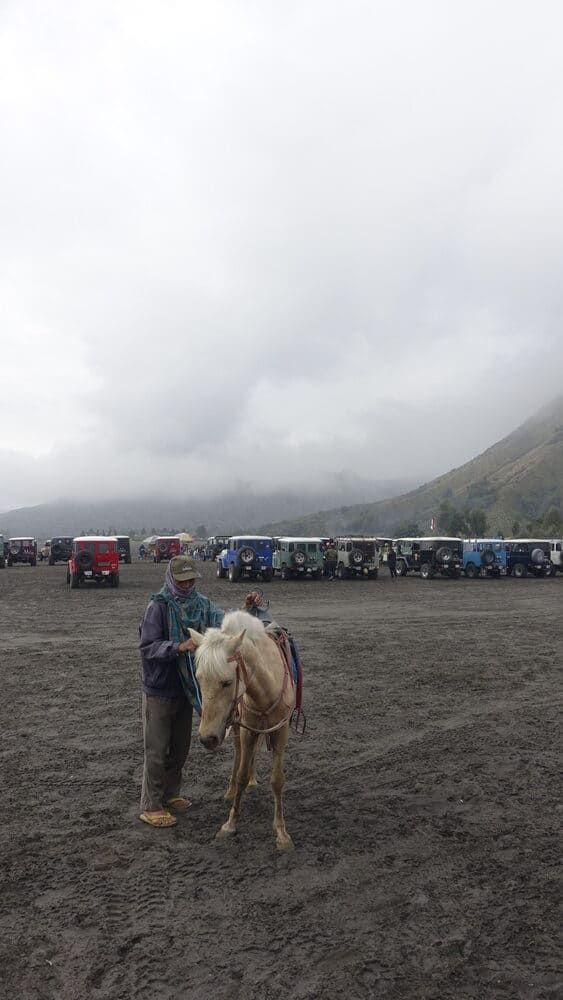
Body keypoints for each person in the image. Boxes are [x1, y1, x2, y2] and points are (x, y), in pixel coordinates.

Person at [138, 555, 225, 828]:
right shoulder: (158, 607)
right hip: (160, 688)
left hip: (187, 688)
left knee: (180, 748)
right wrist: (177, 647)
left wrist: (244, 613)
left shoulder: (201, 605)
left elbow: (221, 620)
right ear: (171, 578)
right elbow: (147, 647)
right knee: (156, 749)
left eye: (191, 579)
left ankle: (171, 794)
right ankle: (150, 806)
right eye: (182, 579)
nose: (187, 584)